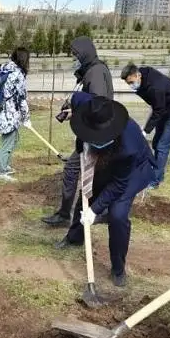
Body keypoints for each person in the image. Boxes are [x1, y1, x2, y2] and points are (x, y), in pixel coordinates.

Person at [54, 93, 156, 286]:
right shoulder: (88, 106)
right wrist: (82, 145)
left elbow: (118, 184)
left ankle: (118, 269)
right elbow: (77, 99)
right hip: (106, 159)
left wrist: (94, 211)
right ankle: (75, 237)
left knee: (117, 214)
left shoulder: (129, 147)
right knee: (86, 192)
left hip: (133, 170)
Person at [42, 36, 115, 226]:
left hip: (96, 133)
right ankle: (77, 214)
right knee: (82, 171)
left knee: (75, 170)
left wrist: (75, 111)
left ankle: (76, 216)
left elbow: (97, 104)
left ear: (84, 52)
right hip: (94, 132)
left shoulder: (96, 72)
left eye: (75, 54)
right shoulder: (93, 70)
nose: (74, 58)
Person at [120, 64, 170, 189]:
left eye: (131, 82)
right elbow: (156, 106)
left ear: (138, 75)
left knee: (162, 147)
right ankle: (158, 173)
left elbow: (158, 110)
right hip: (163, 109)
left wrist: (145, 131)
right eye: (128, 83)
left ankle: (155, 180)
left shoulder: (155, 86)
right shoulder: (143, 78)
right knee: (156, 143)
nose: (130, 85)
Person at [0, 47, 31, 182]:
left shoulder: (3, 69)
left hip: (1, 111)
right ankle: (2, 172)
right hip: (9, 115)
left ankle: (5, 166)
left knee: (13, 139)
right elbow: (22, 99)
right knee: (7, 143)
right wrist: (26, 118)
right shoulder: (17, 74)